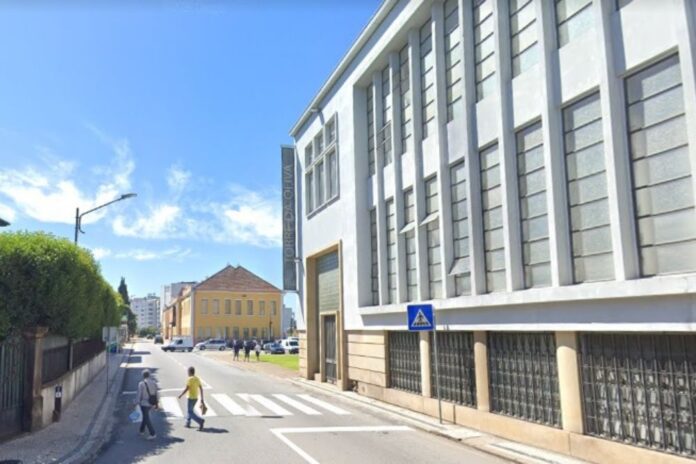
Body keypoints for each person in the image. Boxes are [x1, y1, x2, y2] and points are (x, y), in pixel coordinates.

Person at [177, 366, 205, 431]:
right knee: (190, 411)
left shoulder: (190, 379)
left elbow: (187, 388)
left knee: (190, 412)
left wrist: (181, 395)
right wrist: (202, 398)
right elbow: (201, 388)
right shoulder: (197, 378)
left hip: (191, 397)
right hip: (196, 398)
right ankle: (188, 423)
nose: (187, 373)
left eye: (188, 372)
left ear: (190, 372)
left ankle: (200, 421)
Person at [136, 370, 158, 440]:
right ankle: (141, 430)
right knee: (145, 417)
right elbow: (156, 393)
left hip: (144, 403)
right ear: (149, 375)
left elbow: (139, 394)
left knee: (146, 418)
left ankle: (152, 433)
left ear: (143, 376)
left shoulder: (141, 384)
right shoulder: (154, 383)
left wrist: (137, 402)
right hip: (151, 402)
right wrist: (157, 403)